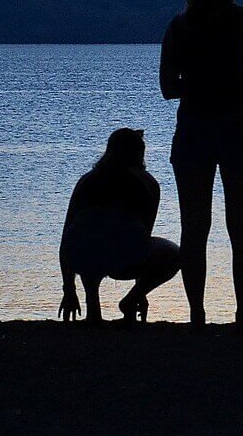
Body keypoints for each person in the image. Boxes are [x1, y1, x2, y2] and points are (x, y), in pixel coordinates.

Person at [159, 0, 243, 327]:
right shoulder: (240, 19)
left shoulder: (179, 27)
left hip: (194, 133)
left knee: (195, 227)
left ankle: (198, 314)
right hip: (234, 131)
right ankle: (241, 315)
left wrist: (199, 82)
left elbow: (168, 87)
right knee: (241, 227)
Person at [58, 128, 181, 324]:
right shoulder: (147, 183)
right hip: (125, 260)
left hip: (83, 258)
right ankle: (130, 300)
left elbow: (67, 238)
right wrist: (140, 291)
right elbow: (143, 236)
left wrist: (69, 289)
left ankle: (93, 306)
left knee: (87, 238)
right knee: (174, 254)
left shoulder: (87, 180)